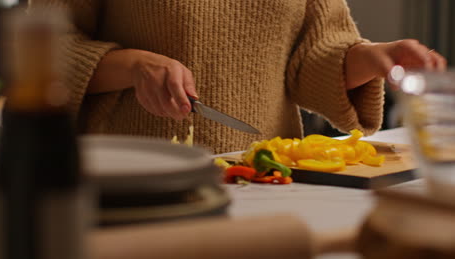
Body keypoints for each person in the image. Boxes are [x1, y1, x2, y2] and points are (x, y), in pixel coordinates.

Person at [29, 0, 446, 154]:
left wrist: (377, 57)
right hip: (133, 185)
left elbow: (312, 60)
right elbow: (42, 52)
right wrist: (134, 66)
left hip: (267, 180)